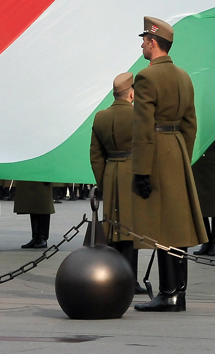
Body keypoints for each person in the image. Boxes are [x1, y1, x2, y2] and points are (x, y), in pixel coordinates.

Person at [130, 16, 206, 313]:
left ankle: (167, 292)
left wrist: (141, 170)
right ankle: (179, 292)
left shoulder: (146, 77)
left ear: (153, 42)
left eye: (144, 41)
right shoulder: (184, 77)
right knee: (177, 224)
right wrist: (182, 159)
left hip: (157, 152)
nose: (141, 45)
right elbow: (190, 125)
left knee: (162, 225)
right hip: (176, 151)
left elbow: (142, 128)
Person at [89, 72, 146, 291]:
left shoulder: (100, 117)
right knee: (131, 230)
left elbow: (95, 156)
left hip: (111, 173)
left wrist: (103, 183)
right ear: (131, 94)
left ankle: (112, 276)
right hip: (133, 173)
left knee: (111, 227)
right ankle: (130, 279)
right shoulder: (139, 116)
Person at [191, 125, 215, 256]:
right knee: (200, 209)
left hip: (213, 170)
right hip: (197, 169)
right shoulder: (194, 122)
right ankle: (206, 241)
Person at [14, 180, 55, 249]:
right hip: (31, 175)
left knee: (44, 204)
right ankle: (35, 237)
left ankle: (43, 237)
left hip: (43, 173)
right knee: (33, 203)